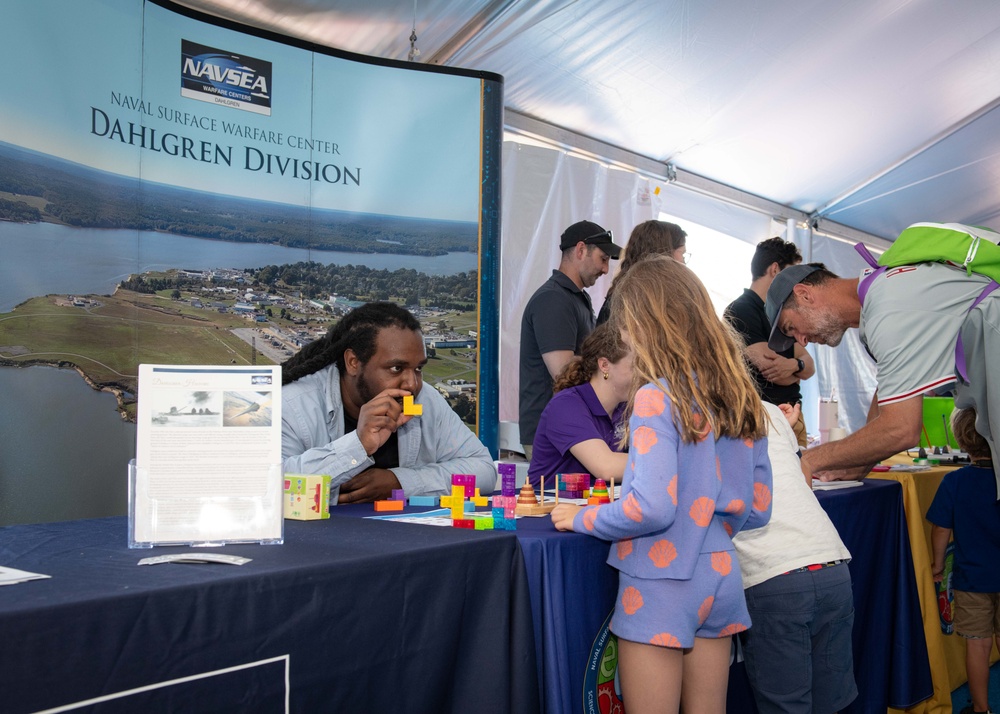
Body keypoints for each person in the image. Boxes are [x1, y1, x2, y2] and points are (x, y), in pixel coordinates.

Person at [552, 256, 772, 714]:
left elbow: (649, 508)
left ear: (645, 323)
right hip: (722, 574)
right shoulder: (741, 396)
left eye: (626, 323)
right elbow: (759, 509)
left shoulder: (657, 397)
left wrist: (582, 517)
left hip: (661, 577)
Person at [766, 257, 1000, 496]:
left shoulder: (887, 308)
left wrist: (805, 459)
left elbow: (900, 428)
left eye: (791, 327)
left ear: (804, 294)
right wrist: (860, 464)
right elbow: (889, 395)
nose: (802, 340)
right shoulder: (880, 297)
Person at [281, 302, 494, 503]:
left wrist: (400, 482)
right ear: (353, 362)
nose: (412, 384)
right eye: (396, 368)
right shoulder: (292, 405)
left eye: (418, 368)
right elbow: (268, 487)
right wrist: (358, 445)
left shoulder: (425, 399)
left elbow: (483, 470)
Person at [733, 401, 857, 714]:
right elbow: (803, 478)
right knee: (832, 701)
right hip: (830, 562)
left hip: (774, 575)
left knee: (785, 704)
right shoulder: (766, 409)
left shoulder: (689, 412)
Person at [519, 220, 623, 458]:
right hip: (554, 434)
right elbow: (564, 374)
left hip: (570, 428)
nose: (606, 270)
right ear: (580, 250)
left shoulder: (575, 298)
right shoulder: (554, 300)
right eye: (603, 259)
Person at [927, 408, 1000, 714]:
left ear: (962, 440)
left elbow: (941, 528)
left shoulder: (954, 482)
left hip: (972, 580)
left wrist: (937, 565)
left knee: (978, 645)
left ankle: (980, 709)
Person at [725, 237, 815, 447]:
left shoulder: (780, 312)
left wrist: (795, 365)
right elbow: (770, 368)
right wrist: (797, 369)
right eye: (792, 273)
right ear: (775, 270)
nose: (796, 282)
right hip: (763, 419)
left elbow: (809, 365)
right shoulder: (741, 309)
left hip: (794, 414)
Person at [527, 322, 632, 488]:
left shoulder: (625, 407)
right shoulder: (566, 406)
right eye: (637, 366)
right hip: (549, 510)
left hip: (594, 508)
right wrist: (666, 463)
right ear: (604, 365)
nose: (646, 374)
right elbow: (606, 467)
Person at [596, 219, 687, 325]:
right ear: (664, 254)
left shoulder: (629, 298)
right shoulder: (629, 304)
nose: (684, 262)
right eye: (682, 254)